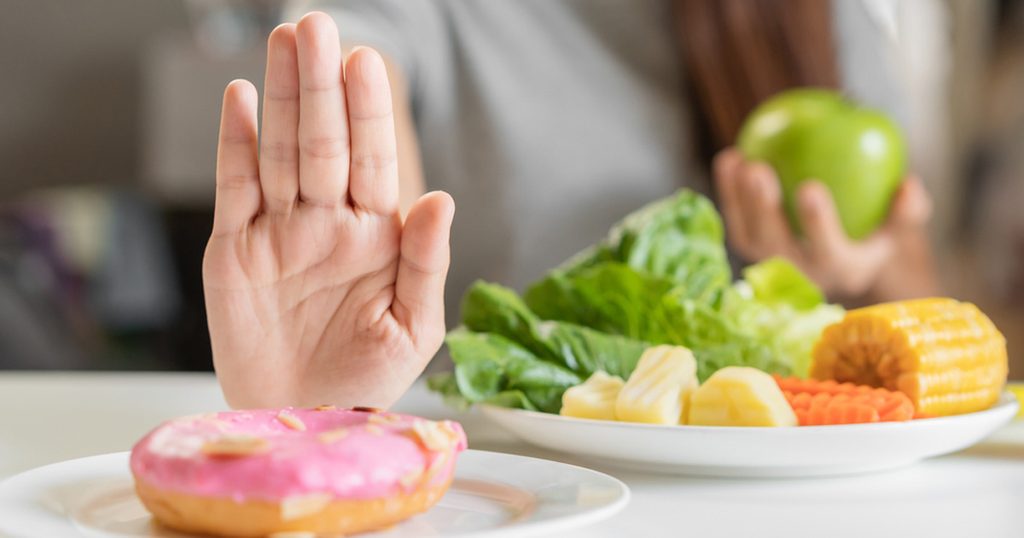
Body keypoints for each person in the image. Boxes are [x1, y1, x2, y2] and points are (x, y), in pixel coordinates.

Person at [206, 5, 941, 409]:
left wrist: (859, 267)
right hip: (518, 485)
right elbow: (353, 63)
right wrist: (325, 394)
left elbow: (919, 297)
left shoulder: (820, 20)